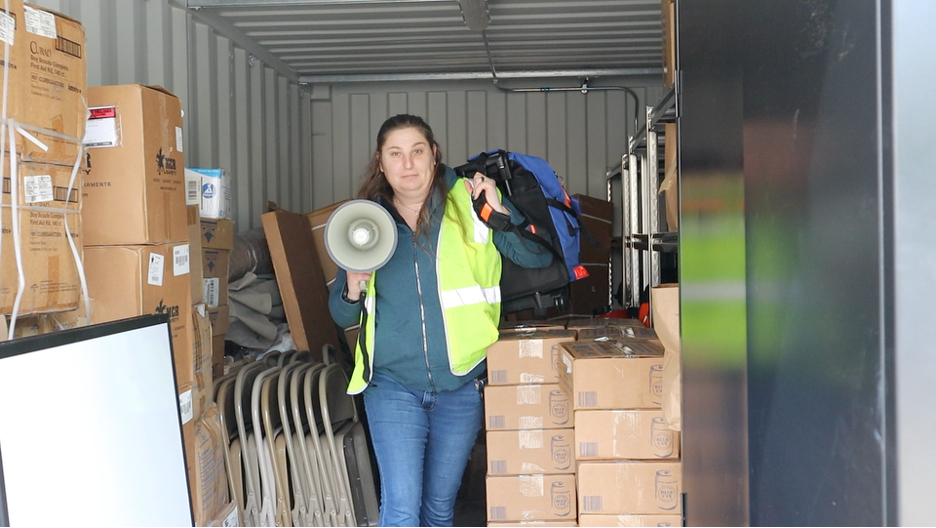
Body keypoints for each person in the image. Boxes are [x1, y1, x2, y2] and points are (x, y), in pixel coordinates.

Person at [328, 114, 552, 527]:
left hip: (461, 383)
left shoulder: (470, 202)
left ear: (434, 155)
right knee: (401, 507)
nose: (407, 163)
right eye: (395, 154)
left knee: (437, 509)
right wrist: (352, 286)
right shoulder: (366, 223)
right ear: (381, 162)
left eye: (417, 151)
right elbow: (341, 314)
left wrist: (499, 212)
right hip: (392, 383)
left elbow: (536, 258)